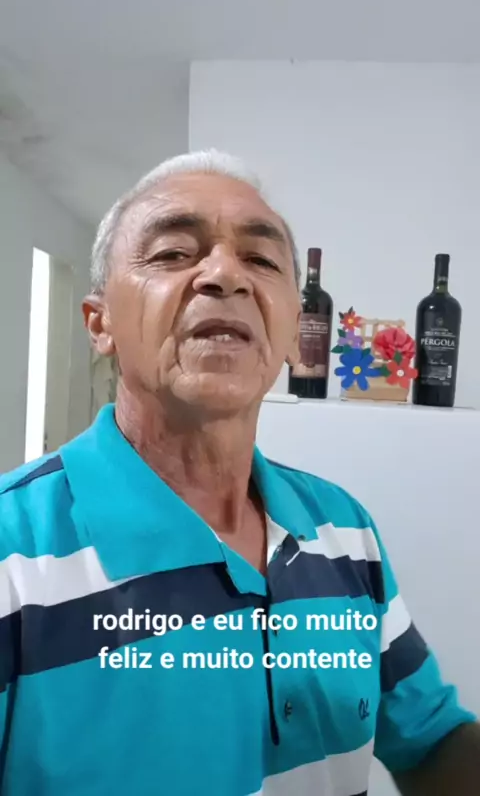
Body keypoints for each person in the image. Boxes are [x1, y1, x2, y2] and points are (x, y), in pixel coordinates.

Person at [0, 150, 478, 796]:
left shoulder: (345, 531)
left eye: (260, 259)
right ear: (100, 322)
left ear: (294, 335)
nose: (225, 275)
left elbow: (431, 742)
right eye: (173, 253)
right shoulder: (12, 552)